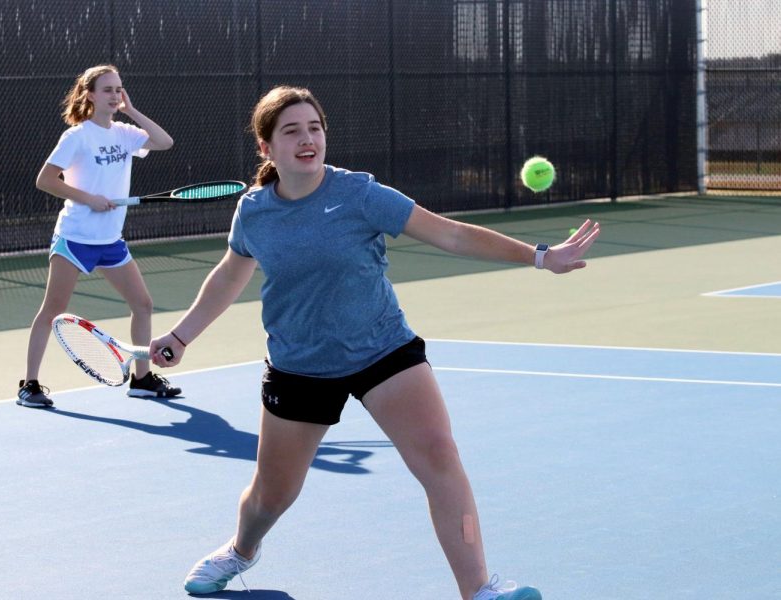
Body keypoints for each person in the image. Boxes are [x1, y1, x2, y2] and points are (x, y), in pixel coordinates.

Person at [149, 86, 600, 599]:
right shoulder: (255, 212)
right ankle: (241, 550)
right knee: (272, 496)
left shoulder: (360, 194)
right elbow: (231, 274)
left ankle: (479, 589)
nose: (307, 139)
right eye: (291, 131)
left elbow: (449, 235)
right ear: (266, 148)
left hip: (383, 350)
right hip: (300, 365)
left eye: (315, 128)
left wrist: (539, 256)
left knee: (439, 454)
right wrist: (182, 335)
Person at [17, 64, 180, 408]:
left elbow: (165, 142)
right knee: (54, 309)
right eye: (107, 89)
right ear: (89, 94)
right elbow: (45, 180)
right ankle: (29, 385)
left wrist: (132, 111)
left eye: (119, 89)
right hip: (75, 237)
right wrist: (89, 198)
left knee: (143, 305)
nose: (115, 95)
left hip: (110, 240)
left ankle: (141, 379)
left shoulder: (124, 133)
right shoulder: (77, 136)